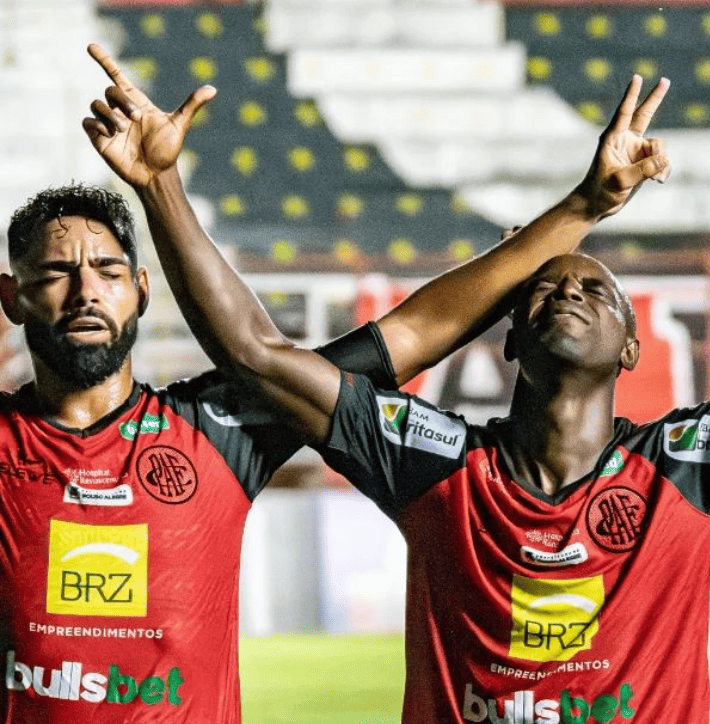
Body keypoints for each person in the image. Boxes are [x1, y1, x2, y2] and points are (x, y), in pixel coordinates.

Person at [80, 32, 710, 724]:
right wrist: (160, 184)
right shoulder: (433, 460)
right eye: (546, 286)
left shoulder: (694, 463)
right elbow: (255, 353)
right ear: (507, 335)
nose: (573, 288)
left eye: (597, 284)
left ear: (633, 345)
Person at [0, 52, 669, 724]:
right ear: (14, 297)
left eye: (110, 271)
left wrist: (588, 204)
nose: (87, 291)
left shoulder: (217, 433)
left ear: (142, 292)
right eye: (57, 271)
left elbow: (409, 335)